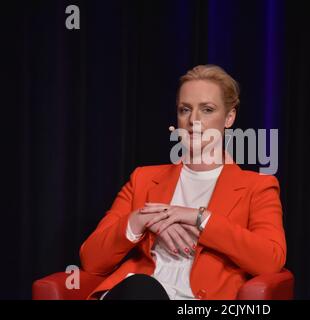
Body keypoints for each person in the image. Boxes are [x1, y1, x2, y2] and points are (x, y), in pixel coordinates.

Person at [79, 64, 287, 300]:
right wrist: (141, 220)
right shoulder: (144, 179)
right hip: (136, 293)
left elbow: (270, 261)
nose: (193, 120)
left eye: (207, 109)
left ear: (229, 117)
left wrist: (199, 218)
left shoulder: (257, 187)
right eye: (185, 110)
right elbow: (91, 259)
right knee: (141, 289)